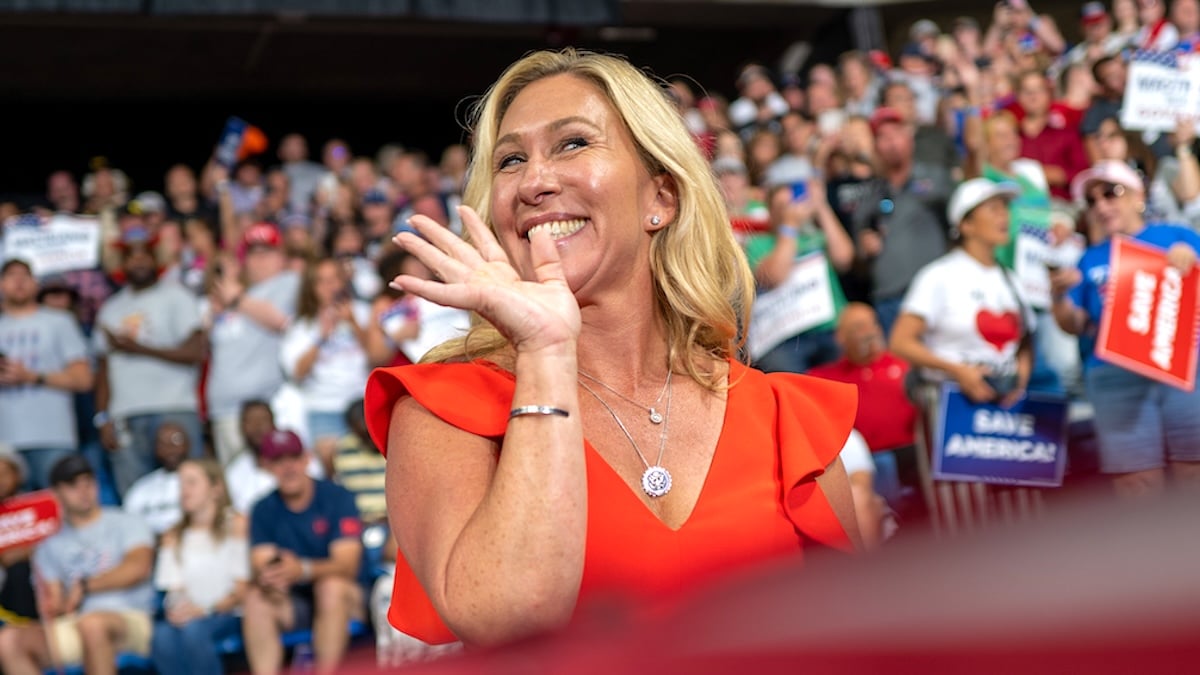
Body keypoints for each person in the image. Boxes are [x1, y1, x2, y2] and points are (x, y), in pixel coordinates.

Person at [364, 48, 860, 649]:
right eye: (510, 160)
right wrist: (547, 352)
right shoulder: (446, 410)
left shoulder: (791, 419)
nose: (535, 181)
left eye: (572, 144)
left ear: (662, 199)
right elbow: (509, 617)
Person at [889, 178, 1037, 534]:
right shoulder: (939, 276)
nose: (1004, 216)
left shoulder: (1011, 278)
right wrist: (959, 371)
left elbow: (1026, 340)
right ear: (965, 224)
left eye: (1005, 207)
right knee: (965, 518)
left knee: (1019, 509)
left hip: (1003, 409)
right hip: (951, 406)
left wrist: (1020, 381)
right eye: (993, 208)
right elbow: (901, 341)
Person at [1050, 160, 1200, 497]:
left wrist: (1191, 261)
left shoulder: (1178, 235)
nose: (1101, 205)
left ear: (1138, 195)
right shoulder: (1087, 259)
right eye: (1091, 201)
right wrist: (1058, 298)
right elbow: (1075, 325)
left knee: (1194, 471)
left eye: (1110, 193)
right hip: (1115, 376)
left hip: (1184, 369)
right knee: (1136, 484)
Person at [0, 455, 155, 675]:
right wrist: (55, 604)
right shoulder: (50, 544)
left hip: (131, 618)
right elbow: (57, 604)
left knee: (93, 625)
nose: (84, 490)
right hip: (76, 624)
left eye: (88, 482)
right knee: (8, 640)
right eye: (73, 485)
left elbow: (139, 568)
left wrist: (85, 586)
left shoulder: (126, 521)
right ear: (57, 493)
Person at [94, 225, 206, 494]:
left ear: (157, 258)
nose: (139, 259)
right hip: (125, 416)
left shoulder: (178, 296)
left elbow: (196, 352)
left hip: (174, 408)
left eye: (145, 253)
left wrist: (138, 348)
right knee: (134, 496)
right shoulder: (109, 309)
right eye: (130, 255)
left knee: (189, 492)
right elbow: (103, 371)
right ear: (121, 262)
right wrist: (103, 418)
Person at [243, 429, 365, 675]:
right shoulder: (263, 508)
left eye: (294, 457)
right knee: (257, 598)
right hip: (294, 601)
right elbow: (262, 563)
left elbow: (347, 565)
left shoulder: (337, 497)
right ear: (266, 466)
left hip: (348, 597)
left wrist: (302, 570)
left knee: (330, 586)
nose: (288, 467)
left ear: (307, 458)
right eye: (278, 460)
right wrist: (273, 574)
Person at [0, 258, 94, 490]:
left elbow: (84, 380)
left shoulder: (59, 322)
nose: (19, 282)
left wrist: (33, 377)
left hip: (54, 437)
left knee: (61, 516)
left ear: (35, 284)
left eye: (25, 276)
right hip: (5, 445)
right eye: (11, 276)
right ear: (1, 284)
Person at [151, 458, 248, 675]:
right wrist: (179, 609)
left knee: (194, 632)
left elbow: (242, 588)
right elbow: (172, 588)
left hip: (230, 613)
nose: (184, 491)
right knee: (161, 636)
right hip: (192, 616)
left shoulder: (238, 524)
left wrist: (204, 610)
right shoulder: (173, 534)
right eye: (181, 484)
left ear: (216, 488)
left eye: (192, 483)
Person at [121, 421, 189, 536]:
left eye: (176, 440)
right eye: (163, 443)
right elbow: (129, 530)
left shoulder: (204, 482)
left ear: (189, 444)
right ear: (155, 448)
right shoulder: (140, 489)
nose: (170, 448)